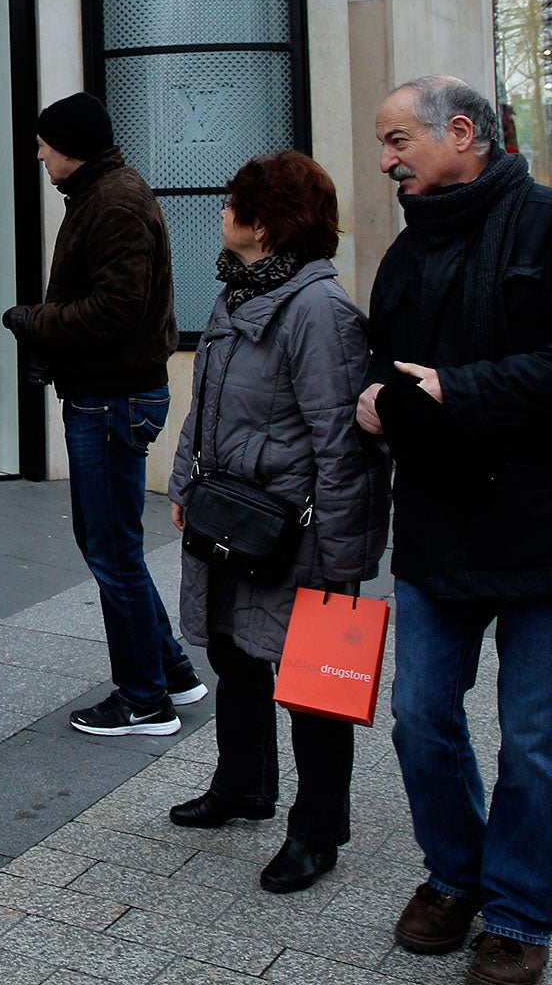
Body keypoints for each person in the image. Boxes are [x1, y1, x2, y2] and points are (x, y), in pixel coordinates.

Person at [357, 76, 552, 985]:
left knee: (536, 739)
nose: (386, 160)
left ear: (463, 133)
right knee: (417, 718)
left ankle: (518, 914)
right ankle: (456, 874)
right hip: (440, 531)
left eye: (399, 140)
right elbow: (388, 368)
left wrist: (461, 389)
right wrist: (376, 405)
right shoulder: (407, 251)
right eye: (385, 143)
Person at [165, 151, 389, 895]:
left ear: (264, 223)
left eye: (233, 204)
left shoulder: (320, 312)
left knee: (317, 685)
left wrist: (343, 552)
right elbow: (204, 405)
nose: (222, 214)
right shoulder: (237, 293)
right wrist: (182, 484)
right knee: (233, 651)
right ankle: (244, 786)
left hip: (299, 530)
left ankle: (317, 830)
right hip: (232, 513)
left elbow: (342, 440)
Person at [2, 92, 206, 736]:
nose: (37, 153)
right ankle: (170, 670)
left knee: (111, 551)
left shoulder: (114, 200)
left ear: (71, 146)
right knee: (111, 545)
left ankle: (144, 700)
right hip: (110, 392)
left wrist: (35, 321)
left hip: (112, 398)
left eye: (44, 143)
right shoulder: (103, 194)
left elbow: (116, 308)